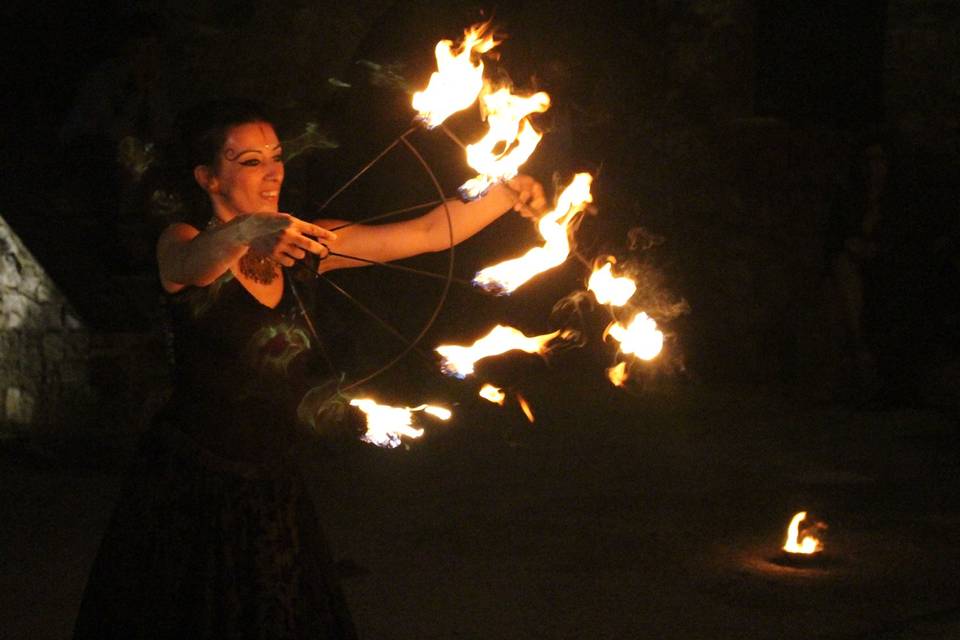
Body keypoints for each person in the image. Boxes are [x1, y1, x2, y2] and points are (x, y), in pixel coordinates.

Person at [73, 99, 546, 639]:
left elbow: (427, 232)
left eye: (276, 157)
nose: (273, 171)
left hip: (274, 486)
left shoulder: (304, 247)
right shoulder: (182, 241)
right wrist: (250, 229)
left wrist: (507, 191)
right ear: (209, 178)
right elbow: (191, 268)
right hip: (190, 491)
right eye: (250, 161)